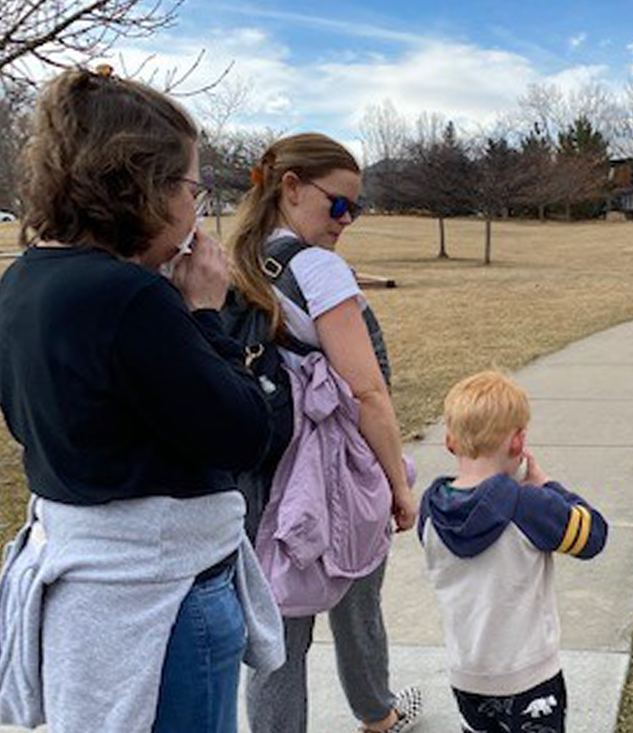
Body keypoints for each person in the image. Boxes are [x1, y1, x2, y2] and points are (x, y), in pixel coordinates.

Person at [0, 67, 284, 733]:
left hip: (83, 588)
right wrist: (208, 315)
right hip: (163, 598)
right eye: (191, 187)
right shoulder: (132, 299)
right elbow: (246, 435)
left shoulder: (25, 282)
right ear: (141, 186)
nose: (195, 207)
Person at [229, 132, 421, 733]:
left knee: (276, 630)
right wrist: (398, 483)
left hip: (259, 475)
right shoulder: (319, 268)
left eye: (355, 208)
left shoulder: (233, 259)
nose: (347, 220)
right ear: (290, 187)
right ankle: (378, 714)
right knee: (358, 598)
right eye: (339, 204)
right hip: (333, 475)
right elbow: (368, 392)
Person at [418, 370, 609, 733]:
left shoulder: (431, 510)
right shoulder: (529, 507)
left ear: (449, 442)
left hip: (467, 674)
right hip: (529, 676)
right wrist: (548, 486)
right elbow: (594, 535)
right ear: (518, 442)